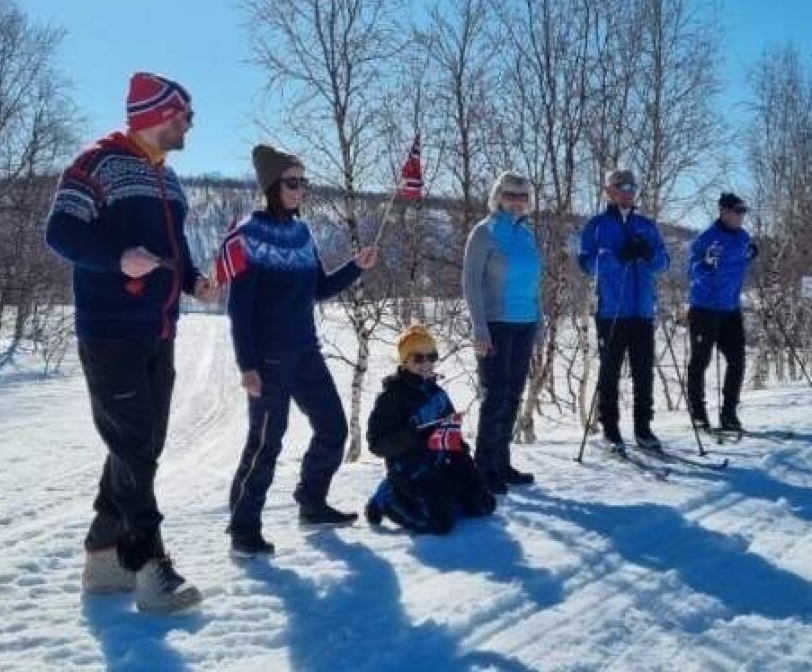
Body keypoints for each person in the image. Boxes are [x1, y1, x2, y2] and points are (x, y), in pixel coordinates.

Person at [45, 72, 217, 613]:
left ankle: (101, 557)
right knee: (135, 446)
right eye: (184, 114)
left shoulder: (171, 181)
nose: (190, 122)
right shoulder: (97, 163)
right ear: (155, 115)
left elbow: (178, 251)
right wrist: (116, 259)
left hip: (160, 331)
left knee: (139, 447)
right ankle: (149, 568)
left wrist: (195, 283)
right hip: (110, 331)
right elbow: (61, 232)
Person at [222, 143, 378, 558]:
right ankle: (243, 528)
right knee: (266, 442)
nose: (300, 189)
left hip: (306, 352)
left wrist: (355, 266)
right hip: (268, 358)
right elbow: (239, 307)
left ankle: (311, 502)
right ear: (273, 185)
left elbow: (320, 289)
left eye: (303, 182)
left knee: (333, 428)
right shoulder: (248, 234)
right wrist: (247, 365)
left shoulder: (302, 232)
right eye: (293, 182)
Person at [364, 325, 496, 534]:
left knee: (483, 505)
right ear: (404, 361)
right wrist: (411, 436)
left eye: (431, 356)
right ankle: (388, 498)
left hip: (438, 463)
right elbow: (376, 443)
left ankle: (440, 495)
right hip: (408, 468)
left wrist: (462, 458)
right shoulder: (391, 398)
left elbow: (451, 432)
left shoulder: (438, 394)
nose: (426, 363)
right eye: (418, 358)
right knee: (440, 525)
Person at [577, 169, 670, 452]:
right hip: (611, 309)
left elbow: (664, 263)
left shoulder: (646, 225)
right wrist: (616, 257)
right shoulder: (597, 225)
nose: (627, 192)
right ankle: (610, 429)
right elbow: (585, 262)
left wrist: (648, 254)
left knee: (644, 371)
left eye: (632, 187)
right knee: (610, 371)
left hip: (642, 310)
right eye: (621, 186)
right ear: (609, 190)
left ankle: (643, 428)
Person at [462, 171, 542, 495]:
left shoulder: (527, 235)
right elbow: (470, 283)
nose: (516, 201)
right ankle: (483, 468)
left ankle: (502, 462)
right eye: (510, 194)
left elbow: (534, 283)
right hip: (495, 324)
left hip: (524, 323)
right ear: (498, 196)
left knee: (513, 395)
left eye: (522, 196)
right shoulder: (484, 233)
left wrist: (539, 323)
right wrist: (479, 326)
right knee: (494, 396)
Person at [686, 192, 759, 432]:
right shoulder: (707, 237)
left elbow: (741, 261)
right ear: (724, 212)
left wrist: (751, 255)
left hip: (730, 308)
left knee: (737, 361)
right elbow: (691, 270)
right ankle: (698, 413)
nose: (741, 216)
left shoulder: (742, 237)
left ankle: (729, 413)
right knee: (701, 360)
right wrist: (705, 263)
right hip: (705, 308)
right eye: (738, 211)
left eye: (743, 212)